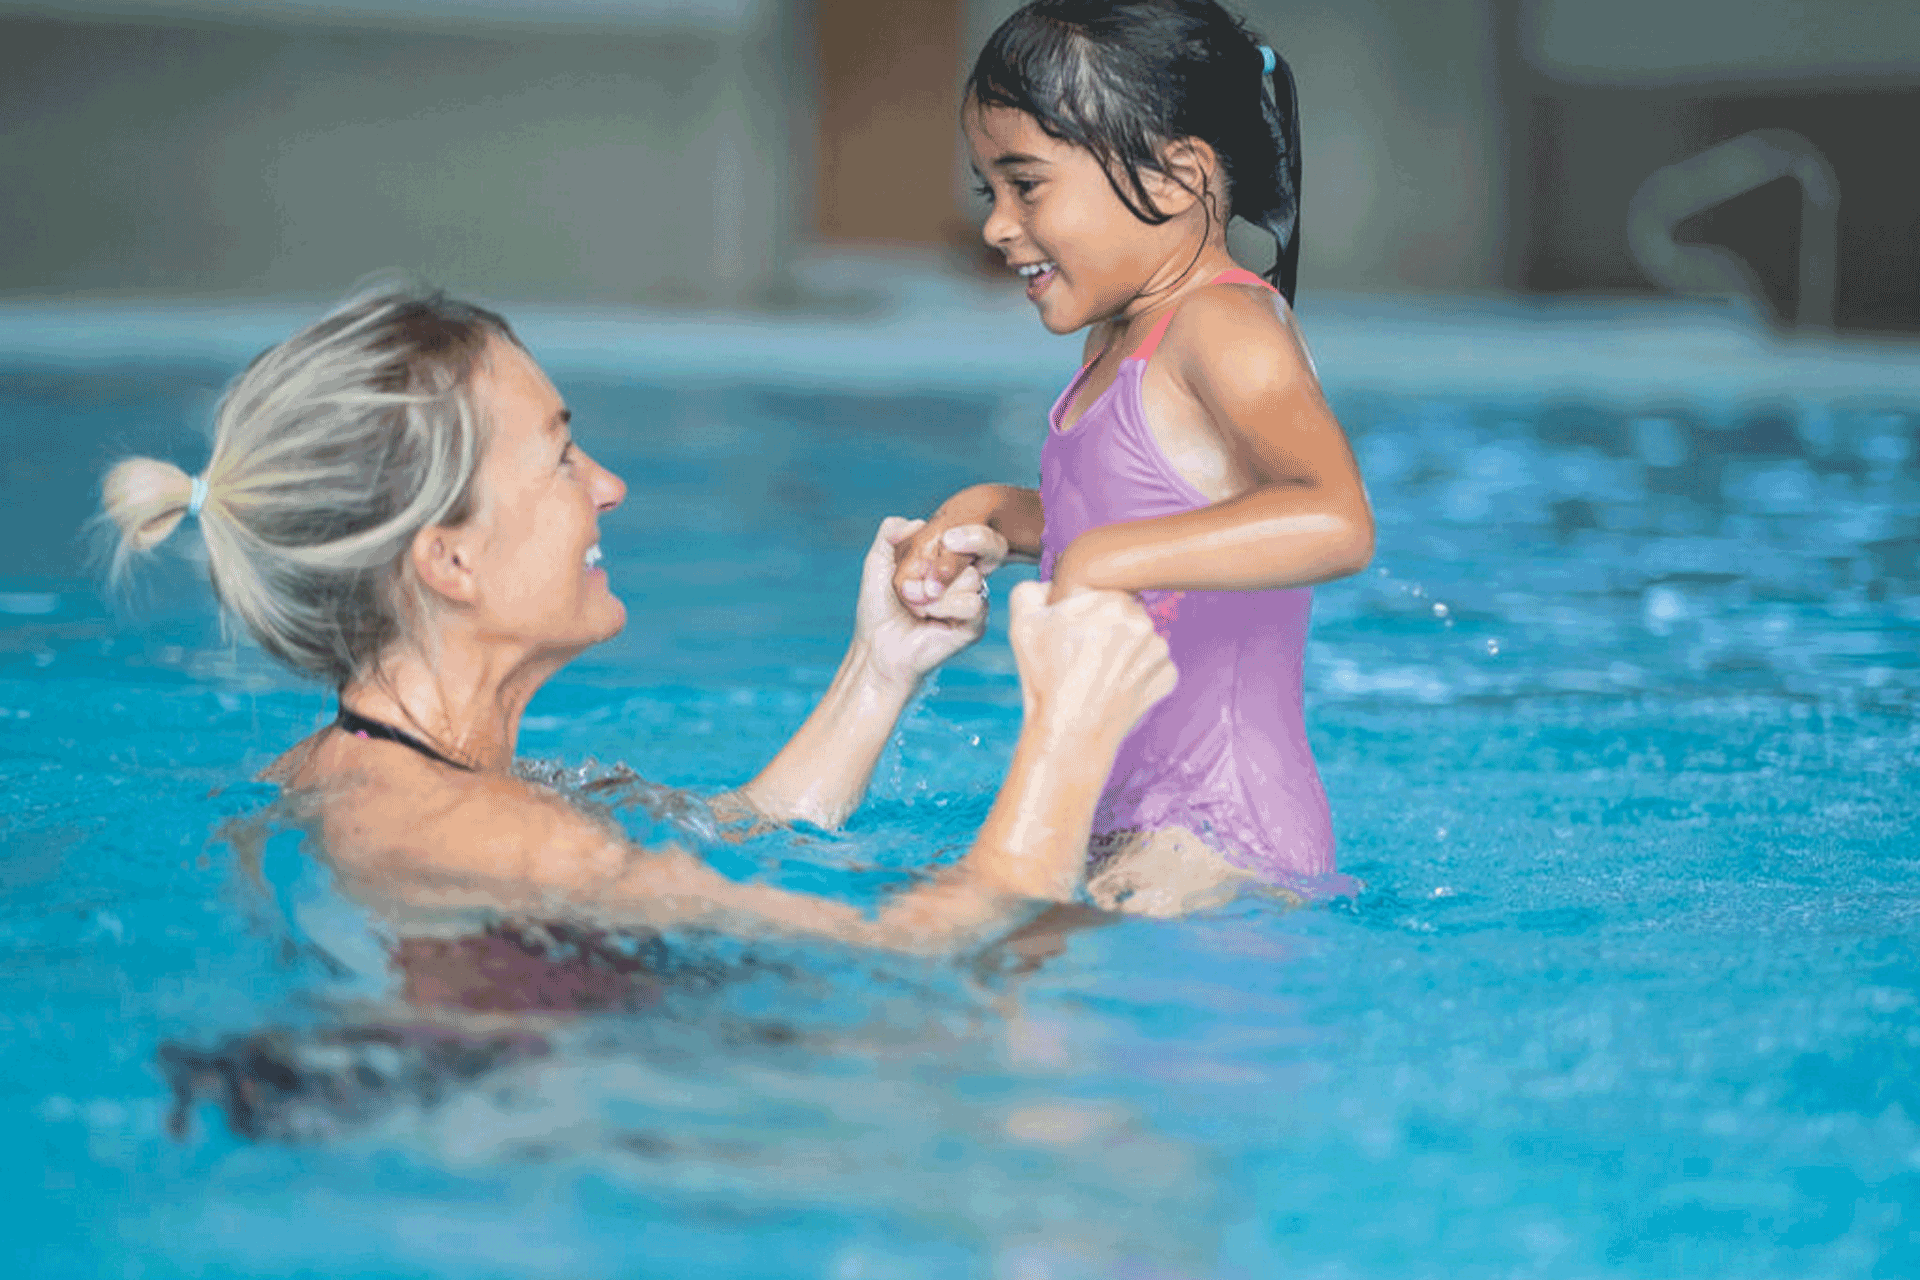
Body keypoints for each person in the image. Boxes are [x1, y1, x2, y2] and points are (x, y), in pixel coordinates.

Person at [99, 282, 1176, 964]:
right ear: (450, 557)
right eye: (561, 456)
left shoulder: (379, 776)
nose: (606, 485)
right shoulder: (481, 831)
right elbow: (912, 956)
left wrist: (879, 670)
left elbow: (732, 842)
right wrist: (1068, 734)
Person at [892, 0, 1373, 914]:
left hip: (1223, 834)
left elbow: (1336, 518)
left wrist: (1111, 560)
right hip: (1135, 822)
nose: (996, 225)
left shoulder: (1224, 326)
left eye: (1026, 185)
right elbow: (1133, 515)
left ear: (1181, 173)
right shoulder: (1120, 341)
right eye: (986, 190)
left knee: (994, 973)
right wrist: (993, 512)